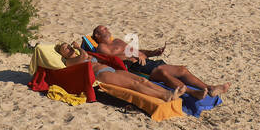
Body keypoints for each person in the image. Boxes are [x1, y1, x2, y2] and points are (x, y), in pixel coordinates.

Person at [89, 26, 229, 98]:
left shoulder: (118, 40)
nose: (107, 29)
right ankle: (193, 93)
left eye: (106, 28)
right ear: (97, 35)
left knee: (181, 70)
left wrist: (152, 52)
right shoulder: (102, 47)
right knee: (163, 73)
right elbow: (112, 59)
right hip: (135, 66)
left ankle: (209, 88)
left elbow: (138, 51)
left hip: (144, 61)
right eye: (103, 29)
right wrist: (136, 56)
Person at [56, 41, 186, 104]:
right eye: (65, 48)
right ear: (62, 54)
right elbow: (83, 56)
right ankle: (164, 96)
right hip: (101, 75)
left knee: (142, 80)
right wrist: (78, 47)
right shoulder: (69, 62)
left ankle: (167, 93)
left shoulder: (80, 55)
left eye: (68, 46)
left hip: (109, 69)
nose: (68, 48)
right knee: (134, 85)